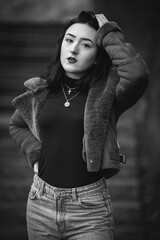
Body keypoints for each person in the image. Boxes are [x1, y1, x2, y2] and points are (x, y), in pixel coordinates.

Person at [9, 11, 149, 240]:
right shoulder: (41, 90)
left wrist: (110, 36)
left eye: (86, 45)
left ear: (97, 56)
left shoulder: (108, 92)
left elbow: (138, 75)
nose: (73, 49)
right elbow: (17, 126)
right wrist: (34, 154)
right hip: (40, 204)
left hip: (89, 210)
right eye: (69, 40)